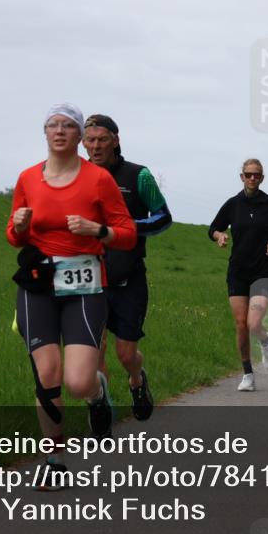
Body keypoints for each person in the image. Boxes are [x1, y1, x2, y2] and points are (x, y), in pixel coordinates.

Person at [7, 103, 137, 490]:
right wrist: (17, 227)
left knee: (78, 383)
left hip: (85, 284)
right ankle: (54, 459)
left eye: (68, 126)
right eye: (52, 125)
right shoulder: (28, 178)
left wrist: (98, 231)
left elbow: (126, 233)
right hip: (38, 284)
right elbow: (14, 235)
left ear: (80, 136)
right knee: (47, 374)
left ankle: (97, 396)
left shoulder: (98, 180)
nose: (59, 131)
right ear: (44, 134)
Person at [83, 114, 172, 422]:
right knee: (94, 350)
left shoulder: (138, 175)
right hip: (88, 278)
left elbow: (163, 218)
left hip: (128, 278)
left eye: (102, 139)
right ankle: (101, 407)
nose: (95, 146)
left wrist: (126, 227)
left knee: (125, 354)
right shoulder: (74, 176)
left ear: (116, 140)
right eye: (90, 140)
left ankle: (136, 381)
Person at [209, 159, 268, 392]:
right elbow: (213, 228)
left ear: (262, 178)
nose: (252, 178)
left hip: (263, 271)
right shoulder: (233, 204)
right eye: (248, 174)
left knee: (253, 323)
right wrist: (220, 236)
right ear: (242, 177)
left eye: (257, 175)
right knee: (240, 325)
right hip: (238, 271)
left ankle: (266, 341)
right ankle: (248, 374)